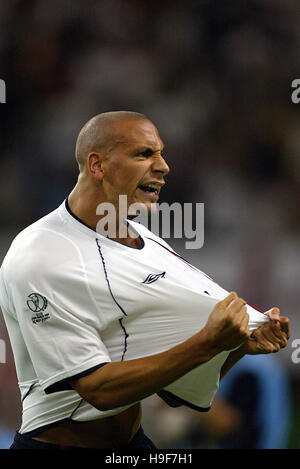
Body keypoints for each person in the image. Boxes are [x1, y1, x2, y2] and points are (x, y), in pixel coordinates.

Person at [0, 111, 290, 450]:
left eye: (161, 153)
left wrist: (234, 345)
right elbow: (98, 391)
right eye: (144, 154)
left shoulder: (146, 241)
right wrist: (210, 343)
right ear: (97, 165)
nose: (164, 166)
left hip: (135, 445)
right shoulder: (42, 255)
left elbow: (175, 392)